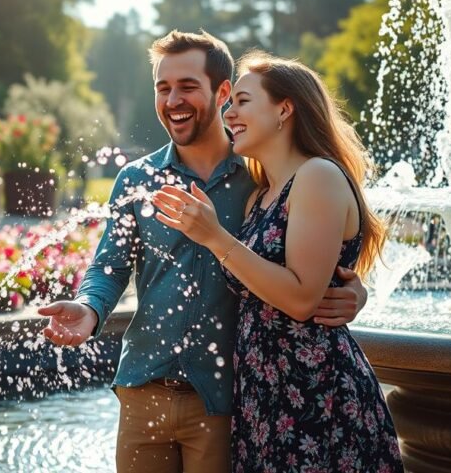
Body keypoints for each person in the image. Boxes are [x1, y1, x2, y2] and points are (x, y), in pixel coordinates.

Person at [38, 31, 369, 473]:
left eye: (188, 86)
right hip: (142, 389)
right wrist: (89, 307)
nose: (173, 99)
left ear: (223, 91)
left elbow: (315, 252)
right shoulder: (136, 179)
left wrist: (353, 290)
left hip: (226, 400)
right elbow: (109, 265)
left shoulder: (262, 178)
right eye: (163, 88)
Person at [151, 50, 402, 472]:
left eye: (243, 101)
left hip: (315, 395)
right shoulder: (261, 195)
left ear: (284, 108)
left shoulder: (317, 176)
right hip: (265, 397)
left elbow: (302, 299)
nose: (228, 113)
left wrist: (215, 237)